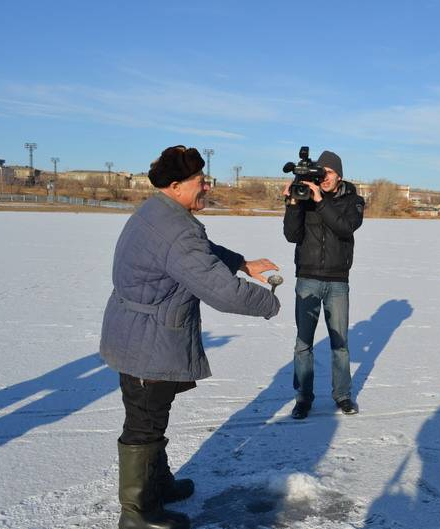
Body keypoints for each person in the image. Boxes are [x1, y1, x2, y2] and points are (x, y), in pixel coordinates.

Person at [100, 145, 281, 529]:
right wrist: (269, 302)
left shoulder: (160, 212)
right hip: (147, 339)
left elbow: (204, 253)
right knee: (144, 422)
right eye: (201, 181)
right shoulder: (176, 230)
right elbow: (221, 291)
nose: (207, 186)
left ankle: (157, 485)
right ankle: (137, 513)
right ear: (177, 185)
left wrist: (242, 262)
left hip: (135, 331)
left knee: (152, 414)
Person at [283, 150, 365, 420]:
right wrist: (293, 204)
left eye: (328, 173)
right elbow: (292, 235)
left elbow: (345, 228)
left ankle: (342, 395)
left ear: (339, 175)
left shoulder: (352, 200)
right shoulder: (305, 198)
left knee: (339, 344)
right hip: (307, 279)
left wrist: (319, 201)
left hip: (338, 282)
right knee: (302, 344)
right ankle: (303, 398)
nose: (324, 178)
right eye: (321, 173)